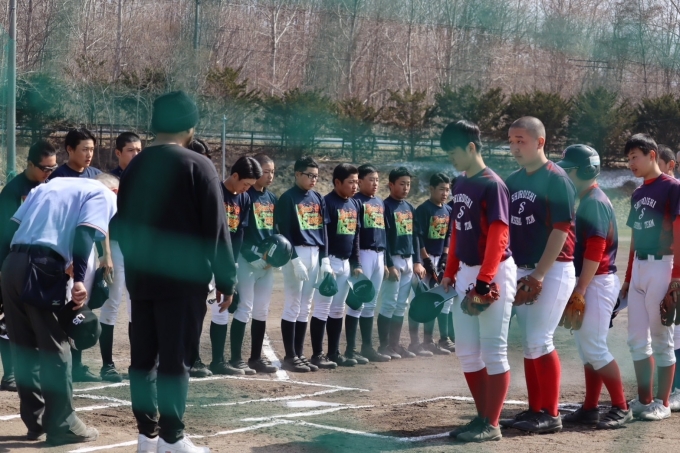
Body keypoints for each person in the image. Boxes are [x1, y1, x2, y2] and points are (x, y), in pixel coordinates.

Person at [117, 91, 236, 453]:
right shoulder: (198, 165)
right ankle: (172, 438)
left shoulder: (136, 165)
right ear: (190, 127)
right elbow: (216, 228)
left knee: (143, 360)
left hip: (142, 278)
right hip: (183, 281)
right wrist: (226, 278)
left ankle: (146, 437)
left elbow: (121, 224)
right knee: (176, 359)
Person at [0, 175, 117, 446]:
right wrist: (79, 279)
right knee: (55, 347)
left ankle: (36, 421)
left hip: (12, 263)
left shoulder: (46, 187)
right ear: (114, 190)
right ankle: (63, 425)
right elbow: (84, 234)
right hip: (42, 267)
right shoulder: (103, 193)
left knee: (24, 347)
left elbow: (9, 229)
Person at [439, 120, 516, 442]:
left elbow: (500, 234)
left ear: (471, 148)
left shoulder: (492, 184)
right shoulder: (460, 183)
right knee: (468, 352)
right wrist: (450, 270)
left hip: (493, 272)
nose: (452, 159)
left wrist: (485, 280)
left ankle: (492, 423)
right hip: (466, 272)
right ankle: (482, 415)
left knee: (494, 351)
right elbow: (457, 230)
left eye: (454, 152)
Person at [500, 117, 576, 434]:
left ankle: (552, 414)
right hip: (522, 268)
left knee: (540, 340)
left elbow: (561, 230)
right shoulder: (513, 180)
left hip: (553, 268)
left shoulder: (556, 179)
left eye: (521, 140)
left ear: (540, 142)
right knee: (529, 343)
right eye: (511, 141)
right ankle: (535, 409)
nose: (515, 147)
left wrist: (539, 275)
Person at [556, 145, 632, 428]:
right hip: (592, 281)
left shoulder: (594, 201)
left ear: (584, 171)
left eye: (569, 170)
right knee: (587, 349)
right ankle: (590, 407)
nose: (566, 174)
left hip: (597, 282)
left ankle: (621, 407)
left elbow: (596, 247)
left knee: (595, 348)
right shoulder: (588, 199)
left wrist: (580, 288)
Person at [620, 133, 678, 421]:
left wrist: (677, 277)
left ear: (652, 155)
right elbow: (634, 238)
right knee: (635, 338)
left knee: (661, 337)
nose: (631, 163)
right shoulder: (638, 192)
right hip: (641, 268)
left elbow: (679, 232)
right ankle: (644, 400)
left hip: (663, 266)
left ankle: (663, 403)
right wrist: (628, 276)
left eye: (635, 156)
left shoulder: (672, 187)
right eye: (628, 158)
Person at [0, 141, 58, 392]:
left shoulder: (50, 187)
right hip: (13, 260)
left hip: (40, 263)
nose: (49, 173)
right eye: (45, 168)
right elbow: (4, 233)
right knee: (7, 321)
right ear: (30, 164)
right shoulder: (14, 191)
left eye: (53, 168)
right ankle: (10, 374)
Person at [275, 156, 332, 373]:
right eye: (309, 175)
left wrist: (325, 258)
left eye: (316, 176)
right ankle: (290, 356)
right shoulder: (288, 198)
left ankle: (299, 354)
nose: (313, 179)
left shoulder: (317, 197)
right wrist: (294, 259)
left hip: (315, 252)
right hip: (296, 252)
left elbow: (323, 229)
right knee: (293, 303)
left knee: (306, 305)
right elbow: (285, 231)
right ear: (297, 174)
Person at [97, 133, 142, 382]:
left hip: (137, 248)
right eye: (130, 150)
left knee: (138, 305)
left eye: (139, 150)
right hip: (115, 246)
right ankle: (107, 364)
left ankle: (139, 363)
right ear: (118, 153)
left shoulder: (145, 177)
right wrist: (105, 254)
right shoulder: (109, 180)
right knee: (112, 303)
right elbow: (102, 219)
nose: (136, 154)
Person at [309, 164, 363, 369]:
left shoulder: (355, 204)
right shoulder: (327, 202)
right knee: (323, 307)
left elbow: (355, 236)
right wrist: (324, 261)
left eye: (357, 182)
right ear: (337, 182)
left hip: (345, 263)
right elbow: (322, 235)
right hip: (329, 261)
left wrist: (356, 263)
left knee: (338, 309)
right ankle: (317, 354)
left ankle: (333, 353)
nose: (355, 186)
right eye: (351, 182)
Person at [230, 153, 280, 374]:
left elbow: (275, 231)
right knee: (244, 308)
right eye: (265, 171)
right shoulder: (245, 195)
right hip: (248, 260)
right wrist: (250, 256)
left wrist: (275, 257)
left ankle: (256, 358)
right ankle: (236, 358)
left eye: (272, 172)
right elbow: (239, 230)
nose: (270, 176)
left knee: (262, 310)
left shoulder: (271, 198)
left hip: (266, 264)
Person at [377, 167, 426, 359]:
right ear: (391, 185)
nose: (406, 188)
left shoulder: (410, 208)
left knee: (401, 305)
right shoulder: (385, 206)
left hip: (408, 259)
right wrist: (389, 264)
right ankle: (383, 346)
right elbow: (384, 239)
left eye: (408, 184)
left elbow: (415, 237)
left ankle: (395, 345)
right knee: (389, 303)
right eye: (402, 184)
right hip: (394, 259)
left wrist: (418, 261)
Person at [348, 165, 391, 363]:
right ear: (360, 181)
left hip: (379, 255)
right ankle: (350, 348)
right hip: (363, 254)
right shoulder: (356, 201)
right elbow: (354, 235)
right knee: (357, 302)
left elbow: (384, 233)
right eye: (371, 179)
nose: (375, 183)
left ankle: (367, 347)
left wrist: (386, 262)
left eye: (377, 180)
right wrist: (356, 261)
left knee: (371, 303)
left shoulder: (379, 202)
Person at [409, 173, 452, 357]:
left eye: (447, 190)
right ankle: (414, 343)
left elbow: (448, 235)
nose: (445, 193)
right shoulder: (423, 209)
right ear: (431, 189)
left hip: (439, 259)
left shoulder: (448, 210)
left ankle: (429, 341)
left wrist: (444, 257)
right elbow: (418, 237)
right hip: (424, 260)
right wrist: (425, 260)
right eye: (441, 189)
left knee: (435, 300)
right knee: (420, 299)